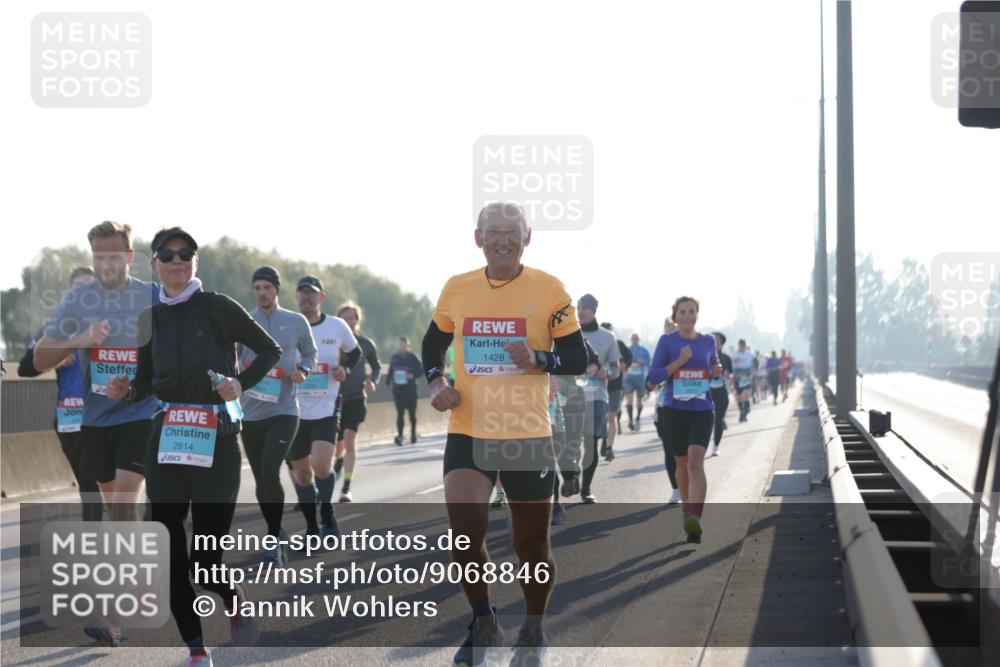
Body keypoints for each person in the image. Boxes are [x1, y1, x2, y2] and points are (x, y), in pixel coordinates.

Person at [421, 202, 587, 665]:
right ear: (478, 238)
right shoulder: (458, 288)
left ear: (527, 237)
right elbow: (433, 340)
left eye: (511, 232)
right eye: (493, 232)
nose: (502, 240)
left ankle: (533, 629)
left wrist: (540, 358)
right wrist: (436, 380)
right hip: (469, 429)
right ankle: (482, 620)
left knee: (531, 546)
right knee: (463, 532)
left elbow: (576, 355)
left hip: (527, 434)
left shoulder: (549, 288)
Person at [106, 227, 281, 666]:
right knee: (167, 552)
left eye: (185, 254)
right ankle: (197, 650)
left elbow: (269, 350)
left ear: (195, 262)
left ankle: (233, 599)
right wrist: (125, 391)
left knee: (205, 557)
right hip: (167, 440)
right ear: (154, 265)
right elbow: (145, 382)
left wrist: (239, 383)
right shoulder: (150, 319)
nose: (177, 260)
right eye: (167, 255)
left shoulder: (218, 307)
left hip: (217, 443)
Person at [34, 221, 160, 530]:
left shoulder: (153, 295)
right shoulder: (77, 300)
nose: (106, 265)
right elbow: (39, 358)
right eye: (99, 257)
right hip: (95, 418)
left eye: (114, 257)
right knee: (116, 506)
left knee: (126, 497)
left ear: (130, 257)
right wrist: (81, 339)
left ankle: (137, 575)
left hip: (141, 411)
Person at [239, 265, 317, 565]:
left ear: (276, 290)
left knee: (271, 469)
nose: (261, 294)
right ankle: (278, 530)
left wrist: (304, 371)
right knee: (262, 478)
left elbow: (310, 353)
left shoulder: (295, 322)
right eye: (257, 288)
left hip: (284, 409)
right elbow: (230, 356)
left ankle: (272, 537)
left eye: (267, 288)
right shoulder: (243, 321)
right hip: (251, 412)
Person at [18, 266, 102, 521]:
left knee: (121, 482)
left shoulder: (114, 324)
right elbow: (24, 368)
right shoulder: (54, 329)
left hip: (110, 413)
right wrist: (54, 357)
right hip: (71, 416)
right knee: (88, 484)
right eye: (78, 287)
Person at [286, 276, 360, 541]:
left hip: (326, 408)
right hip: (293, 411)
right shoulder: (288, 325)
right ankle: (311, 526)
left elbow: (355, 352)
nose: (306, 298)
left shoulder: (337, 326)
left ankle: (327, 510)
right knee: (302, 474)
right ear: (296, 297)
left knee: (320, 464)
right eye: (302, 293)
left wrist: (345, 369)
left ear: (322, 297)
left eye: (311, 293)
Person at [646, 296, 723, 544]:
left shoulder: (708, 340)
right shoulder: (667, 342)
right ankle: (686, 509)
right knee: (681, 464)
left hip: (702, 409)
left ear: (697, 315)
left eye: (692, 311)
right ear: (675, 317)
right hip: (674, 410)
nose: (687, 316)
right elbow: (654, 377)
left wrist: (716, 370)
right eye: (683, 312)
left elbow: (714, 364)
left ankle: (695, 517)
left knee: (695, 463)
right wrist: (679, 361)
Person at [332, 301, 381, 502]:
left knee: (349, 439)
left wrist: (373, 382)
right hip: (333, 399)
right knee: (338, 444)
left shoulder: (366, 344)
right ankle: (338, 462)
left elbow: (377, 367)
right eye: (345, 318)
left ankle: (346, 487)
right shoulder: (331, 341)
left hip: (356, 398)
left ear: (357, 321)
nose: (349, 321)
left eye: (352, 318)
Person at [577, 295, 620, 502]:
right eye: (578, 307)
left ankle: (586, 489)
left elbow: (616, 368)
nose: (580, 312)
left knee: (591, 444)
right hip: (570, 398)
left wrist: (606, 372)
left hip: (596, 397)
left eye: (584, 308)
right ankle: (571, 475)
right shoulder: (567, 334)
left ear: (594, 311)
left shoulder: (608, 337)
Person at [600, 322, 630, 460]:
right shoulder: (594, 343)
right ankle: (603, 440)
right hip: (598, 386)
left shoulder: (619, 344)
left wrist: (624, 365)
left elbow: (628, 357)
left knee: (611, 416)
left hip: (615, 385)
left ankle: (608, 447)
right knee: (601, 418)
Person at [386, 336, 423, 445]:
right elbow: (390, 371)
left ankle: (413, 434)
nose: (402, 347)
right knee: (400, 413)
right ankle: (401, 435)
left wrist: (413, 375)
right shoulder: (394, 357)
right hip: (398, 390)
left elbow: (422, 369)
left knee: (412, 414)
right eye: (400, 344)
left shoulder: (413, 357)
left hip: (411, 390)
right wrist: (388, 382)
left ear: (408, 346)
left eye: (404, 345)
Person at [708, 332, 733, 458]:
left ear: (721, 343)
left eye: (716, 340)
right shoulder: (705, 356)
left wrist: (728, 376)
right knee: (707, 421)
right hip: (707, 392)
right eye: (712, 339)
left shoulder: (726, 358)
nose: (714, 342)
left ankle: (716, 446)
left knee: (718, 420)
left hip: (721, 393)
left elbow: (731, 374)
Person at [623, 332, 651, 432]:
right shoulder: (627, 350)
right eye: (633, 338)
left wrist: (642, 362)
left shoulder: (644, 351)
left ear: (639, 339)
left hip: (640, 378)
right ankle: (630, 421)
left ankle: (638, 418)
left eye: (636, 338)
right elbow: (621, 361)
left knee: (639, 401)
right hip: (628, 378)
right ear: (631, 339)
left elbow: (649, 362)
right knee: (629, 400)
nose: (635, 340)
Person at [731, 339, 754, 422]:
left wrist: (751, 374)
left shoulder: (749, 354)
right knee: (739, 396)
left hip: (746, 375)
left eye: (742, 345)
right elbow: (732, 364)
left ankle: (746, 406)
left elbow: (752, 365)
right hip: (738, 375)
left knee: (746, 393)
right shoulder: (734, 354)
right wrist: (734, 361)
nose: (741, 347)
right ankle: (742, 411)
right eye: (740, 345)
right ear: (738, 346)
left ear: (745, 345)